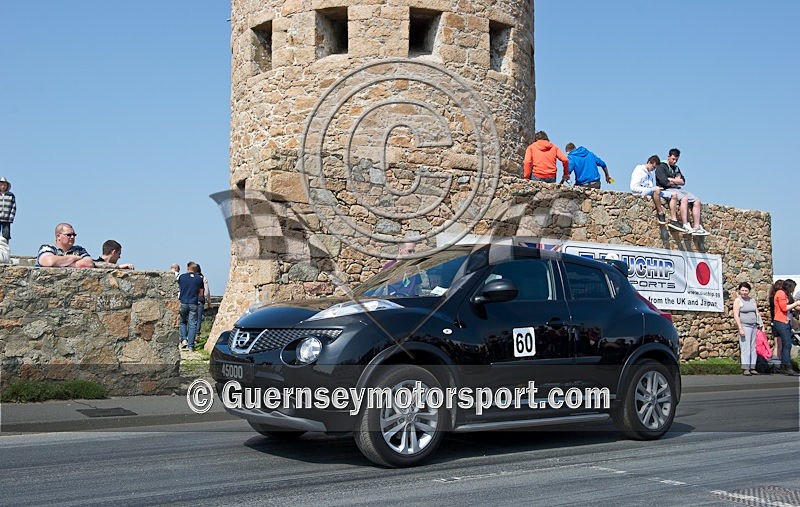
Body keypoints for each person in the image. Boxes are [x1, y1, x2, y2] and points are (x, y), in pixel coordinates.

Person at [654, 148, 709, 235]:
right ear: (668, 156)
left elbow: (683, 181)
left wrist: (672, 180)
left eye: (676, 159)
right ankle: (685, 224)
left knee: (697, 201)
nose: (675, 161)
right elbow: (664, 182)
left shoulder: (676, 168)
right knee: (684, 199)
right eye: (673, 159)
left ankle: (697, 227)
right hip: (667, 190)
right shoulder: (661, 167)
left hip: (678, 189)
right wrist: (676, 181)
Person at [629, 155, 676, 225]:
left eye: (655, 168)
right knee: (656, 189)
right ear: (649, 162)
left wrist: (655, 188)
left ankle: (674, 219)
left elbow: (652, 186)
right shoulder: (639, 170)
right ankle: (661, 213)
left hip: (652, 191)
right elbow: (633, 187)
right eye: (653, 167)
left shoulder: (651, 173)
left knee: (674, 194)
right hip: (643, 191)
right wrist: (650, 189)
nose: (653, 169)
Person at [732, 282, 763, 375]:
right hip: (745, 326)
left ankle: (752, 367)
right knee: (745, 347)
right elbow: (736, 315)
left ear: (749, 291)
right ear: (739, 291)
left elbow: (757, 313)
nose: (744, 292)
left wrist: (761, 325)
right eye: (742, 290)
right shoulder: (738, 301)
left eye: (746, 290)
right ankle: (746, 368)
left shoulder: (752, 300)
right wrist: (740, 328)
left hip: (754, 326)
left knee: (753, 347)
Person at [771, 279, 800, 375]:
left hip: (785, 321)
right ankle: (786, 366)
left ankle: (784, 365)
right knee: (787, 344)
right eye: (793, 288)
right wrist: (795, 303)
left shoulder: (785, 294)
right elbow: (784, 308)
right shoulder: (781, 293)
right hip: (781, 321)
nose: (793, 290)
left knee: (784, 344)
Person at [178, 261, 205, 350]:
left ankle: (183, 339)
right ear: (196, 269)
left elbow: (179, 287)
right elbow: (201, 293)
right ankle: (191, 346)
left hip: (183, 302)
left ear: (188, 268)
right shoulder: (199, 278)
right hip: (194, 303)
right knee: (193, 324)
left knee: (183, 322)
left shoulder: (182, 277)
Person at [194, 263, 211, 344]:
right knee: (198, 318)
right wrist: (208, 301)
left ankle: (189, 336)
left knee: (191, 318)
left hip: (191, 300)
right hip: (200, 299)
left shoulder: (190, 278)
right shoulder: (203, 278)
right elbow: (206, 292)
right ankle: (197, 335)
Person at [0, 177, 16, 243]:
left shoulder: (11, 195)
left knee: (6, 236)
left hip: (7, 219)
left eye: (4, 185)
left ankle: (5, 250)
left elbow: (13, 207)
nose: (3, 186)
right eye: (1, 185)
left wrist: (11, 218)